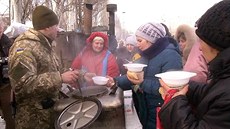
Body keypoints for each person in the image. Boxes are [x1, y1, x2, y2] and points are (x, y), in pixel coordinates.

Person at [8, 6, 86, 129]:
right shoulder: (24, 47)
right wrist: (59, 78)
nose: (58, 30)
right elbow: (22, 84)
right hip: (33, 120)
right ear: (47, 27)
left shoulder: (45, 45)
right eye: (56, 26)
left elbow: (57, 71)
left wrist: (82, 75)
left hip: (49, 116)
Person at [159, 1, 230, 129]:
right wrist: (183, 86)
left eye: (201, 41)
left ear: (216, 44)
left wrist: (175, 102)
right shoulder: (224, 75)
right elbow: (212, 93)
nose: (200, 48)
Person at [107, 22, 182, 129]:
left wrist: (142, 83)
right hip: (144, 107)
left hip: (160, 111)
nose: (137, 44)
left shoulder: (171, 56)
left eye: (139, 40)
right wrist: (115, 81)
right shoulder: (145, 54)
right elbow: (134, 77)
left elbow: (172, 89)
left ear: (151, 39)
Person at [0, 20, 15, 129]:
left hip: (5, 83)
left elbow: (15, 58)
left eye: (0, 27)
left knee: (9, 113)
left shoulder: (8, 42)